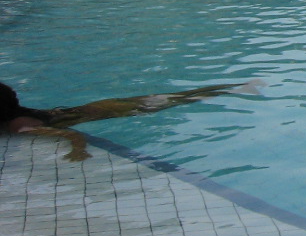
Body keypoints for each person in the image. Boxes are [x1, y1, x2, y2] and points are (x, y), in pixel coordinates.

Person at [2, 80, 247, 162]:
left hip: (108, 111)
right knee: (177, 97)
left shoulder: (20, 125)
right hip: (102, 106)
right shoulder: (20, 114)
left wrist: (78, 151)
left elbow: (71, 134)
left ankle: (237, 88)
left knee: (178, 100)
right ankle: (236, 86)